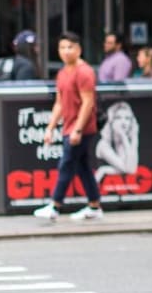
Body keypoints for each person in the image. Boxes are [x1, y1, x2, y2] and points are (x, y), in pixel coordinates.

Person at [34, 32, 104, 221]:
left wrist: (78, 129)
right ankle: (94, 206)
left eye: (70, 47)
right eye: (62, 47)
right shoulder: (63, 73)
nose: (66, 51)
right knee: (82, 168)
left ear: (79, 49)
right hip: (69, 127)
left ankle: (55, 206)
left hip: (81, 129)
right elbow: (59, 103)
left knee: (66, 164)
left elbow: (88, 103)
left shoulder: (84, 72)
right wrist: (50, 128)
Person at [94, 101, 140, 184]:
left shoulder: (122, 142)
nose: (124, 123)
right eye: (118, 118)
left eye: (127, 118)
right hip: (103, 192)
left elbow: (132, 169)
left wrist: (134, 138)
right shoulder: (103, 145)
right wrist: (124, 137)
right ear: (111, 121)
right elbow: (129, 169)